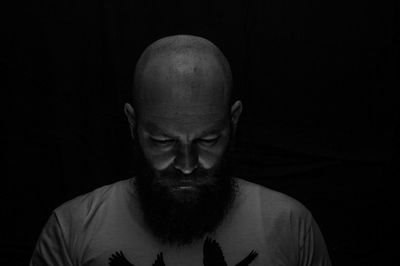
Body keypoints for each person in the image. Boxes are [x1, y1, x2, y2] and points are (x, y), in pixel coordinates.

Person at [30, 35, 331, 266]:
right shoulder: (71, 229)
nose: (187, 165)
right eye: (163, 142)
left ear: (234, 121)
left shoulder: (291, 227)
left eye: (208, 140)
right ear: (132, 124)